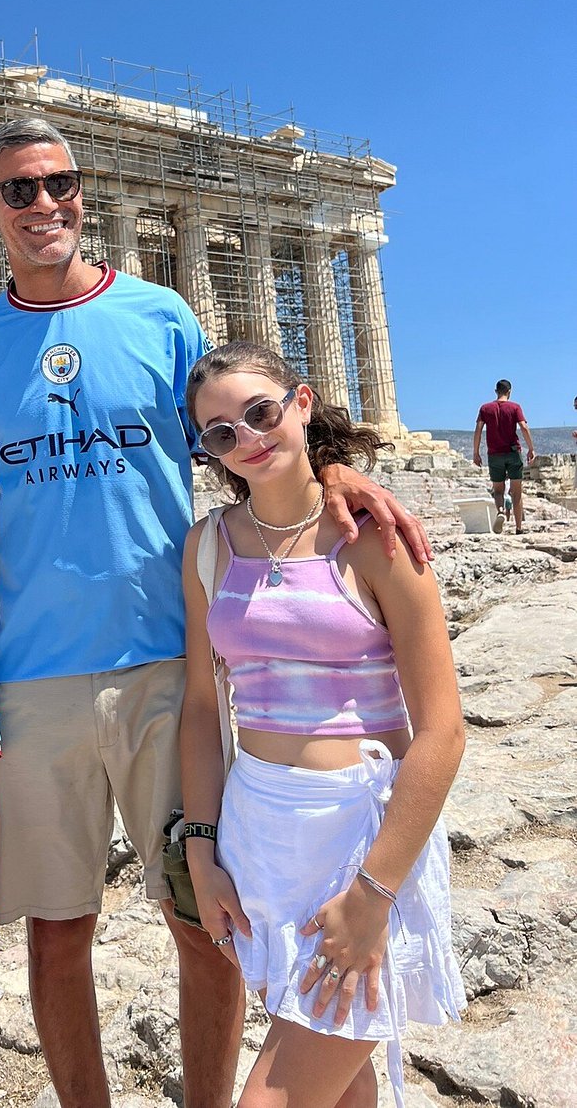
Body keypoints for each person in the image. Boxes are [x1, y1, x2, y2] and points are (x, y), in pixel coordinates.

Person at [0, 116, 434, 1108]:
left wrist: (333, 472)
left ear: (81, 191)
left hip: (170, 662)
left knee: (204, 916)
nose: (43, 205)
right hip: (33, 673)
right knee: (57, 930)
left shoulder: (159, 315)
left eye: (58, 183)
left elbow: (244, 423)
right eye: (19, 191)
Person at [180, 340, 465, 1108]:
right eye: (220, 432)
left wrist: (375, 891)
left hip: (362, 841)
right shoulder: (206, 546)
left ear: (301, 403)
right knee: (342, 1088)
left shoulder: (374, 538)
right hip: (262, 839)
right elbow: (205, 710)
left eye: (261, 412)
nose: (248, 437)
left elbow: (444, 730)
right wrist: (202, 853)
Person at [472, 380, 535, 534]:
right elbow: (524, 427)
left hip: (494, 454)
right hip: (513, 453)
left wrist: (476, 452)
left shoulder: (485, 408)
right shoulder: (515, 407)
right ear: (510, 391)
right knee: (516, 492)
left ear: (496, 391)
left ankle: (500, 511)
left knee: (498, 490)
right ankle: (519, 527)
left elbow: (478, 430)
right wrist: (531, 448)